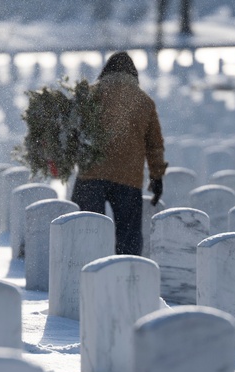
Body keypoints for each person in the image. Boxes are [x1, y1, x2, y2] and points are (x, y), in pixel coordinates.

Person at [71, 52, 168, 256]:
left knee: (85, 232)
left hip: (91, 175)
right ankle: (126, 273)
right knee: (128, 236)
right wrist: (157, 176)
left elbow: (73, 131)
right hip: (128, 177)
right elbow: (155, 145)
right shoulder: (144, 102)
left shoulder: (89, 95)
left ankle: (85, 272)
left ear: (105, 71)